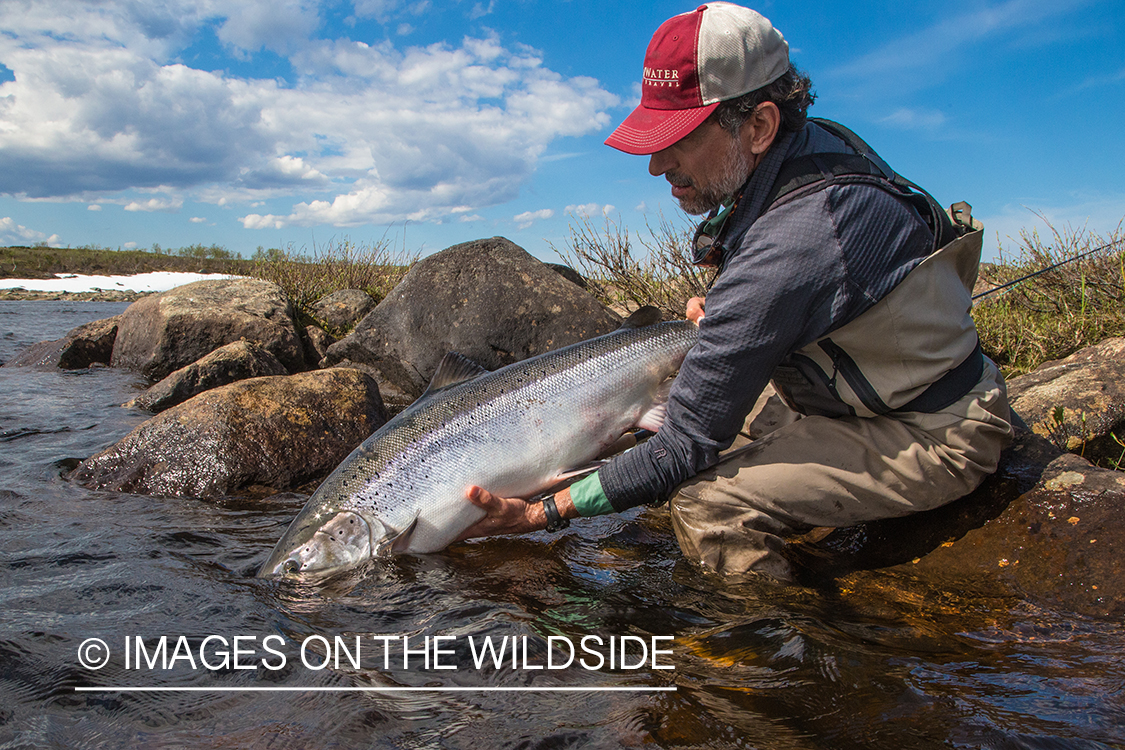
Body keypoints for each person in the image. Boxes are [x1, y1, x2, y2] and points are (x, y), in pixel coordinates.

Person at [459, 2, 1013, 581]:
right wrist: (737, 312)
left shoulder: (798, 239)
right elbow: (798, 287)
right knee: (647, 449)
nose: (656, 165)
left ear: (759, 126)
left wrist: (541, 513)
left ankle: (768, 657)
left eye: (679, 138)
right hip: (845, 404)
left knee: (705, 504)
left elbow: (683, 447)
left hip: (935, 431)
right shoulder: (809, 151)